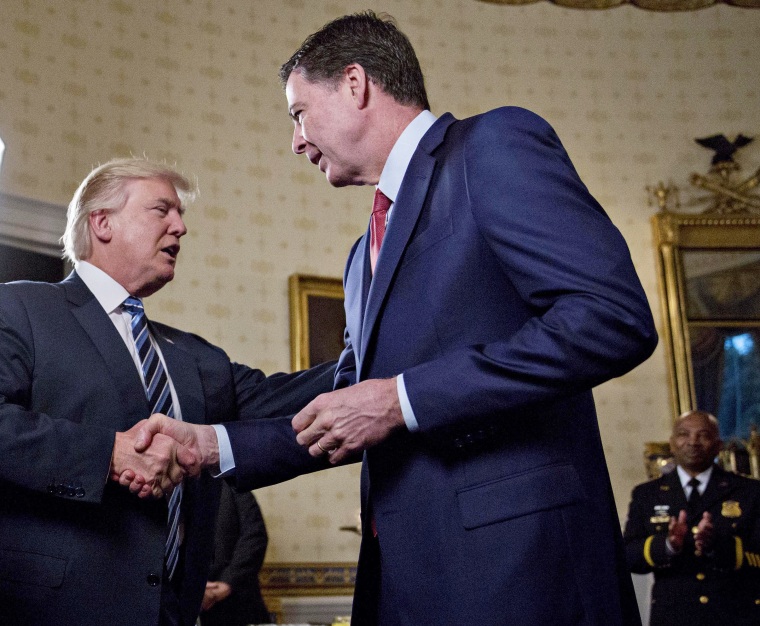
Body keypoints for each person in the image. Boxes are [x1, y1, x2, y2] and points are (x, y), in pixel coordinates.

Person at [137, 11, 658, 625]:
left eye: (298, 114)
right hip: (403, 585)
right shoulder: (362, 257)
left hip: (521, 575)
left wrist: (403, 399)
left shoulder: (491, 147)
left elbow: (612, 316)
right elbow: (350, 409)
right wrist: (211, 446)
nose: (296, 142)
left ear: (355, 84)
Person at [0, 158, 333, 626]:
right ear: (103, 222)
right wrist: (109, 455)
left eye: (180, 215)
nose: (180, 227)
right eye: (162, 210)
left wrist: (382, 346)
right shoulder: (20, 308)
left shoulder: (197, 356)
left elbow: (289, 398)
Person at [623, 410, 760, 625]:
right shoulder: (647, 494)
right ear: (672, 444)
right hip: (675, 615)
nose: (693, 442)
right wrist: (668, 545)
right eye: (684, 434)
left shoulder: (749, 491)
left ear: (718, 445)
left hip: (735, 614)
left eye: (703, 435)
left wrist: (718, 546)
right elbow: (629, 557)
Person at [200, 482, 271, 626]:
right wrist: (194, 588)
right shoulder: (165, 490)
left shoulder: (233, 486)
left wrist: (228, 582)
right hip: (180, 606)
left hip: (238, 602)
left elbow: (255, 537)